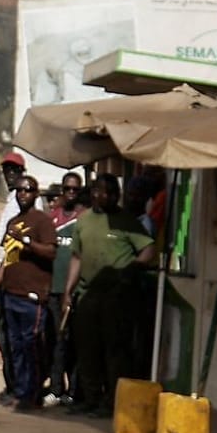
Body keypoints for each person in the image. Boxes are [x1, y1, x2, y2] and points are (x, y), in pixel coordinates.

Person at [63, 174, 156, 417]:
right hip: (87, 294)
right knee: (87, 349)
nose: (98, 195)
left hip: (117, 297)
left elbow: (148, 250)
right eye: (95, 190)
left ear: (115, 195)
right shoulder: (83, 221)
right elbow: (76, 257)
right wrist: (68, 292)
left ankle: (111, 401)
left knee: (115, 351)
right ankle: (90, 398)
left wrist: (132, 268)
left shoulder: (126, 221)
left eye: (104, 191)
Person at [0, 174, 56, 411]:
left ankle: (31, 394)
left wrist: (26, 241)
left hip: (32, 296)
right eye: (20, 190)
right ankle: (20, 391)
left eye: (28, 190)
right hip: (10, 293)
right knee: (15, 347)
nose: (23, 193)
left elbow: (50, 252)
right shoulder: (13, 221)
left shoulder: (42, 221)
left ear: (36, 194)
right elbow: (8, 260)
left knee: (31, 345)